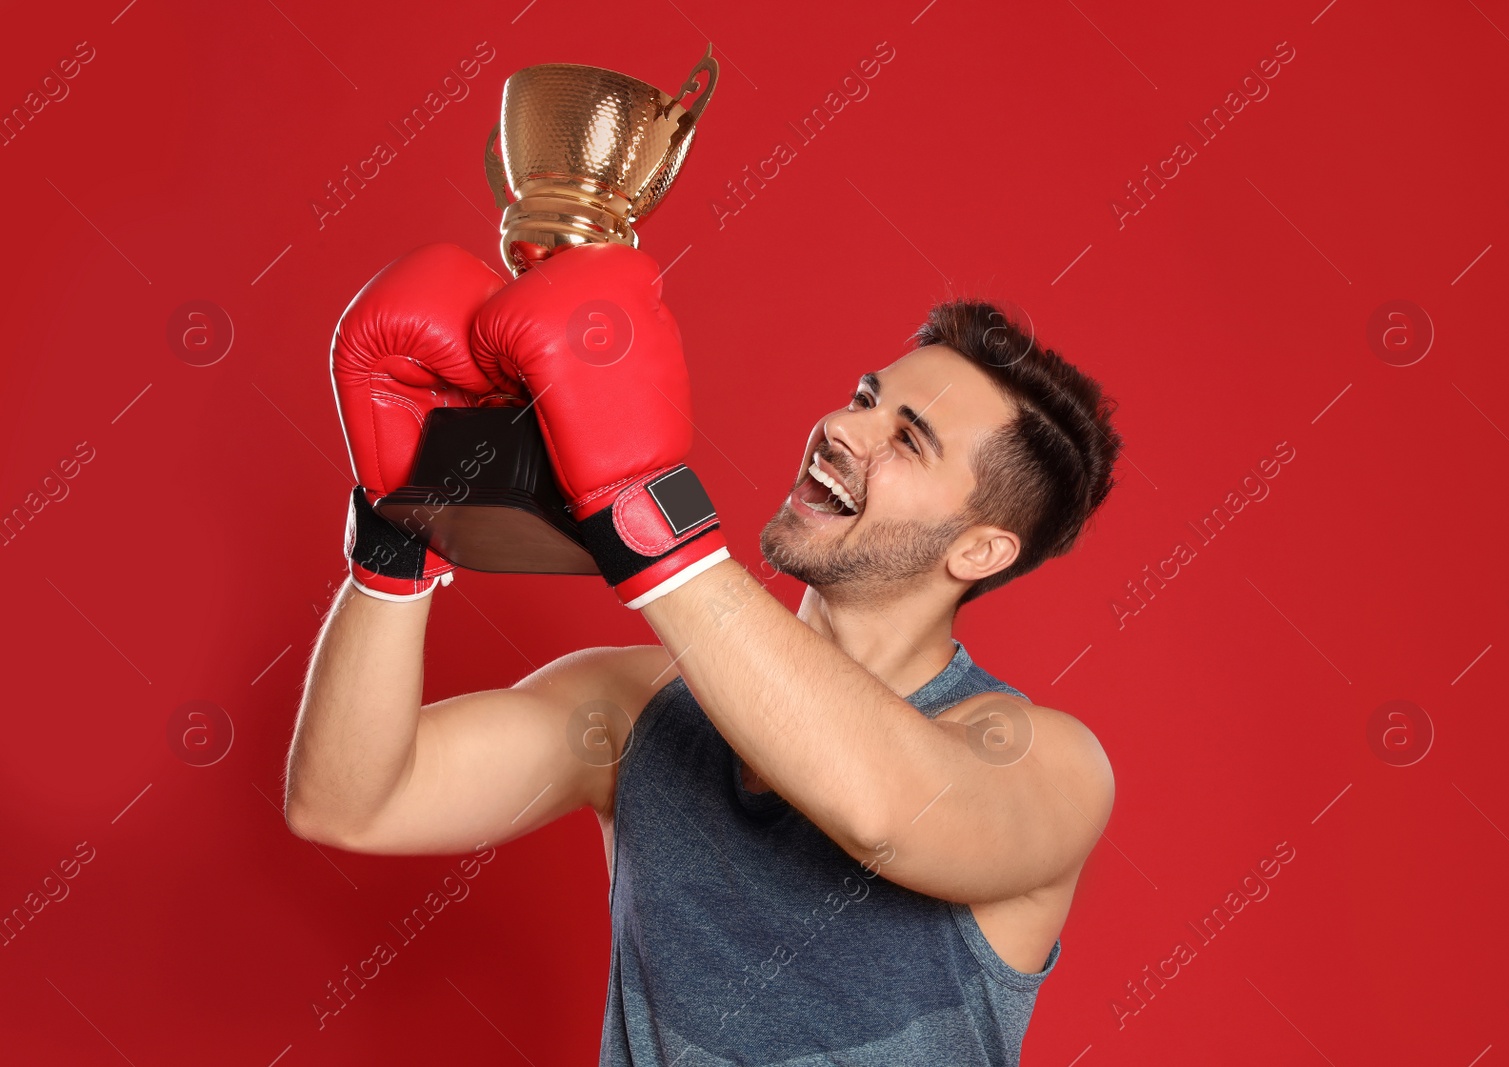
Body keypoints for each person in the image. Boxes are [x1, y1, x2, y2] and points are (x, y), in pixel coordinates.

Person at [285, 240, 1124, 1065]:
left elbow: (888, 812)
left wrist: (645, 516)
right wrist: (402, 532)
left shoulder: (1040, 761)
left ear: (979, 551)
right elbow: (351, 802)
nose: (840, 428)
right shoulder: (633, 708)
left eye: (907, 440)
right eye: (864, 398)